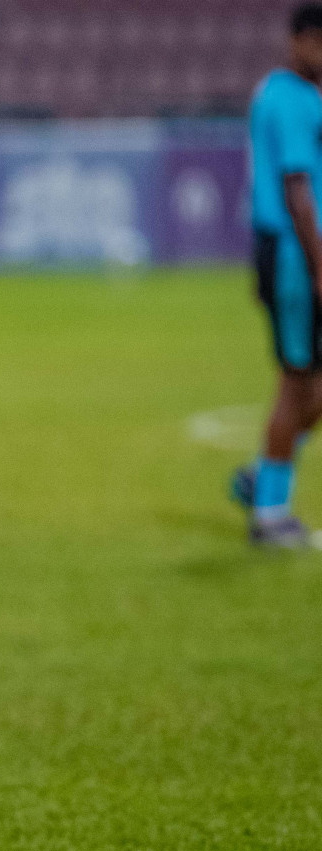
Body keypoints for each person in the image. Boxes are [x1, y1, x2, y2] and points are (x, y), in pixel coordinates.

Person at [232, 3, 322, 547]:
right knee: (298, 383)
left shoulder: (293, 94)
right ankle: (270, 515)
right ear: (301, 40)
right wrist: (318, 267)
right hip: (295, 258)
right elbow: (296, 189)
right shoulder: (290, 98)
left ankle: (262, 474)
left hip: (291, 255)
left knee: (308, 381)